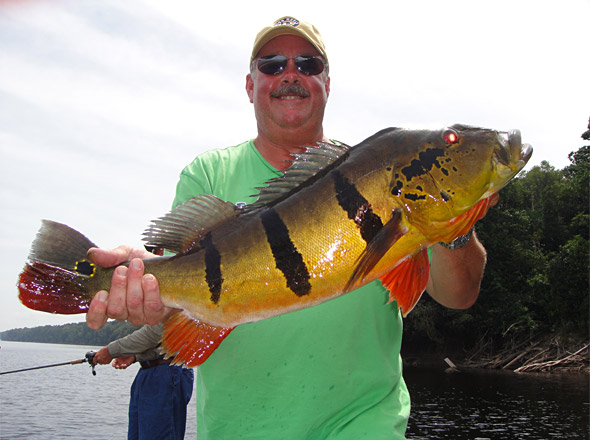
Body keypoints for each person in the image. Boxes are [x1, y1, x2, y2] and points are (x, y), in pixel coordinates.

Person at [85, 16, 490, 439]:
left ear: (327, 84)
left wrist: (454, 225)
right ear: (250, 85)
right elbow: (176, 290)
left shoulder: (380, 177)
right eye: (273, 64)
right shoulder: (208, 174)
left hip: (365, 423)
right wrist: (137, 283)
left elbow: (459, 296)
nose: (291, 74)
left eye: (308, 64)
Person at [93, 324, 194, 440]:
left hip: (166, 373)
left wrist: (111, 350)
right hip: (150, 372)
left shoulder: (171, 306)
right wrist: (137, 356)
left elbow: (157, 331)